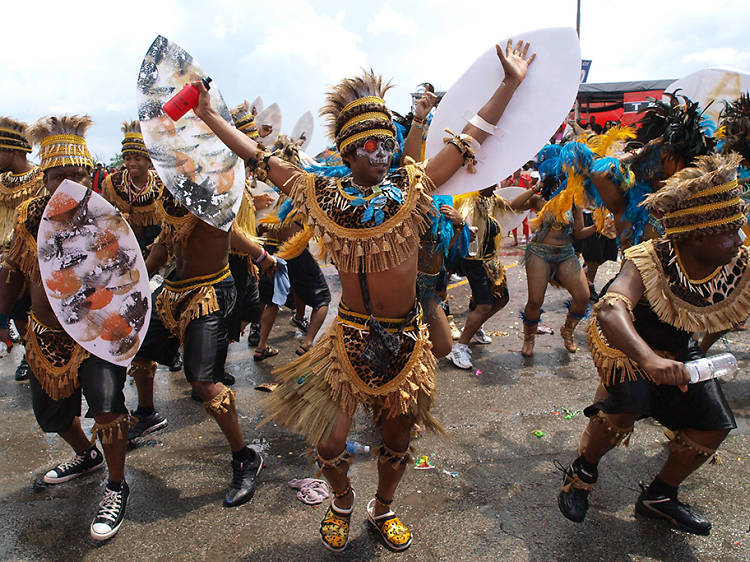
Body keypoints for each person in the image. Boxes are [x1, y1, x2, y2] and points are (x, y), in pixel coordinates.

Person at [194, 40, 535, 551]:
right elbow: (257, 157)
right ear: (350, 152)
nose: (383, 153)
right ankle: (343, 502)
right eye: (372, 146)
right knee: (330, 443)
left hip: (404, 343)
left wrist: (509, 83)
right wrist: (205, 116)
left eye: (387, 144)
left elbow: (470, 140)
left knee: (398, 441)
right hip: (347, 342)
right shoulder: (321, 197)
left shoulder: (413, 189)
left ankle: (383, 508)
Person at [558, 153, 745, 535]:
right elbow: (610, 310)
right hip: (626, 344)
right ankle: (582, 472)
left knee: (715, 423)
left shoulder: (737, 260)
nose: (741, 238)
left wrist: (694, 354)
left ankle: (660, 497)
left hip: (677, 348)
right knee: (626, 407)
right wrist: (649, 360)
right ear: (699, 235)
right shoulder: (651, 256)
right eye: (731, 231)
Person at [0, 115, 132, 540]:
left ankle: (116, 485)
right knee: (53, 416)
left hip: (96, 326)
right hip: (44, 333)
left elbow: (128, 278)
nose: (70, 183)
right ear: (44, 176)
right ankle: (85, 454)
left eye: (79, 174)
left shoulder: (105, 216)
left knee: (109, 410)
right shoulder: (26, 217)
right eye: (60, 175)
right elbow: (17, 273)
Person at [129, 131, 277, 508]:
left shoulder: (215, 188)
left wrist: (261, 256)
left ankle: (245, 457)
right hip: (175, 290)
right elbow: (166, 241)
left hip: (210, 291)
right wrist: (139, 281)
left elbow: (232, 233)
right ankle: (146, 413)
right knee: (140, 352)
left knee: (203, 381)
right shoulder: (170, 192)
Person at [510, 144, 594, 357]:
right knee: (535, 301)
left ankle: (568, 330)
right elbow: (515, 205)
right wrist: (535, 188)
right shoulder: (539, 199)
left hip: (565, 253)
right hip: (540, 252)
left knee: (583, 297)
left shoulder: (573, 197)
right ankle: (529, 338)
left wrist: (599, 226)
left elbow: (579, 232)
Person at [0, 117, 46, 381]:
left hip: (36, 257)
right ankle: (30, 357)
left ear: (12, 151)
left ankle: (42, 355)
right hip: (9, 259)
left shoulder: (41, 178)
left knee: (36, 310)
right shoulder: (2, 182)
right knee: (17, 311)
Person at [449, 185, 511, 369]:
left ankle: (475, 327)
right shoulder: (468, 200)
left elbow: (513, 205)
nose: (495, 185)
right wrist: (469, 229)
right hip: (475, 261)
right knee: (484, 305)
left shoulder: (491, 199)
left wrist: (536, 190)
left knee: (502, 299)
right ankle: (459, 347)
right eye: (492, 182)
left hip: (491, 261)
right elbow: (464, 221)